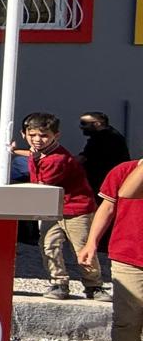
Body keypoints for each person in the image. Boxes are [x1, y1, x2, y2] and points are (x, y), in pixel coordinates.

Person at [79, 158, 143, 341]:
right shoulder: (125, 170)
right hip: (129, 254)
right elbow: (116, 200)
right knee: (128, 316)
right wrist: (91, 243)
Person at [23, 112, 107, 300]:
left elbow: (43, 185)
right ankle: (58, 282)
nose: (37, 139)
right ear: (24, 134)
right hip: (53, 208)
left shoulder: (57, 159)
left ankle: (94, 285)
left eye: (43, 135)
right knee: (48, 245)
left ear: (56, 135)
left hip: (76, 209)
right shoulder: (39, 153)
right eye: (32, 135)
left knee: (82, 248)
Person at [78, 111, 132, 193]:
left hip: (102, 182)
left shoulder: (101, 138)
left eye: (84, 123)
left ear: (97, 124)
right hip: (111, 180)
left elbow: (83, 158)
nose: (81, 127)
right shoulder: (112, 134)